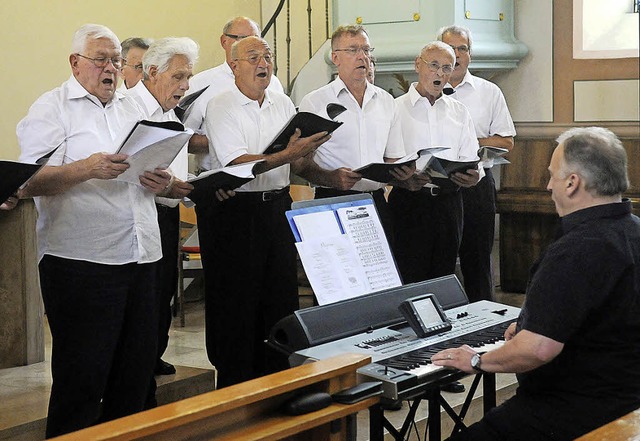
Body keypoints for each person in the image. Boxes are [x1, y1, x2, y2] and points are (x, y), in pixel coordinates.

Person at [16, 24, 181, 438]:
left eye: (117, 61)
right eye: (101, 60)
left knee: (135, 376)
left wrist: (164, 183)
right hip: (82, 262)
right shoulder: (52, 108)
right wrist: (86, 168)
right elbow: (27, 180)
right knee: (82, 380)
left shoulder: (135, 109)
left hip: (142, 256)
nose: (111, 69)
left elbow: (161, 176)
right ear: (76, 63)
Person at [432, 127, 640, 441]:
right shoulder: (634, 231)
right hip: (626, 397)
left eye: (552, 176)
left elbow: (539, 349)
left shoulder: (575, 249)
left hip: (573, 410)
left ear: (572, 183)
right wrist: (533, 324)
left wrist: (476, 360)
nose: (547, 185)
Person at [203, 36, 330, 387]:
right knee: (238, 306)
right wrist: (291, 154)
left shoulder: (283, 102)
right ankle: (236, 391)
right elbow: (238, 165)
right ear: (234, 66)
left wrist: (313, 147)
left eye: (268, 56)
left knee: (280, 302)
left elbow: (295, 162)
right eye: (253, 57)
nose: (264, 63)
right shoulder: (221, 105)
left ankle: (277, 387)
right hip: (236, 213)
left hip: (276, 208)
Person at [124, 37, 198, 380]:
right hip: (135, 214)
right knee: (143, 296)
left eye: (188, 78)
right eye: (178, 77)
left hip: (167, 212)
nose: (185, 86)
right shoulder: (129, 109)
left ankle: (153, 355)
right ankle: (137, 363)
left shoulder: (172, 114)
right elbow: (130, 170)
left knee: (163, 291)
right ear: (152, 72)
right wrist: (169, 186)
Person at [296, 24, 409, 237]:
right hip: (331, 198)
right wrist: (330, 178)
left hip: (374, 201)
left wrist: (405, 172)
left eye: (366, 50)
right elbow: (300, 165)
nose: (362, 57)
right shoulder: (315, 102)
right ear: (335, 57)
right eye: (353, 50)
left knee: (379, 269)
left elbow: (393, 158)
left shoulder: (386, 100)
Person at [390, 41, 480, 285]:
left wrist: (474, 176)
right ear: (418, 65)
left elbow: (471, 157)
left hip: (449, 202)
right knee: (409, 275)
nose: (440, 74)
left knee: (444, 275)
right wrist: (404, 176)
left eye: (447, 68)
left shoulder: (459, 111)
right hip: (409, 201)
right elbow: (385, 157)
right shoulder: (394, 109)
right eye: (434, 65)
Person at [437, 25, 516, 303]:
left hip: (478, 184)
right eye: (451, 48)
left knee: (478, 261)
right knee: (440, 262)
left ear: (470, 55)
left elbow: (507, 142)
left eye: (463, 49)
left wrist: (468, 139)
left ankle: (485, 324)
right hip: (438, 185)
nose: (457, 55)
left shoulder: (489, 91)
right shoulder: (427, 91)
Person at [184, 16, 285, 173]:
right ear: (224, 41)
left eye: (254, 38)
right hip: (220, 183)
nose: (250, 44)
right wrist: (226, 140)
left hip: (272, 178)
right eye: (241, 39)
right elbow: (183, 140)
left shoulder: (273, 84)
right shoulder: (200, 84)